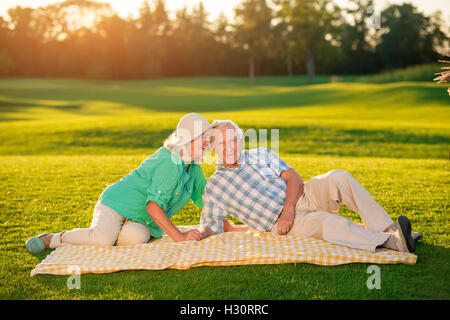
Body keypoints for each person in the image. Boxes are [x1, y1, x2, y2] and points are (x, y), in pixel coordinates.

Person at [199, 120, 420, 253]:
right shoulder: (215, 187)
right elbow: (210, 225)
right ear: (212, 148)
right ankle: (394, 243)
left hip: (302, 197)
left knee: (338, 177)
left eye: (234, 140)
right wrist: (192, 235)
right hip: (283, 224)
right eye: (223, 143)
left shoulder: (260, 153)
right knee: (328, 223)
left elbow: (294, 178)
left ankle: (389, 229)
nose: (231, 147)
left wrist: (288, 208)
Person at [26, 113, 215, 254]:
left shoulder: (194, 168)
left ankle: (111, 233)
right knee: (103, 239)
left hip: (138, 219)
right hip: (116, 204)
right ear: (188, 139)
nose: (208, 143)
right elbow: (153, 207)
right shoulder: (170, 163)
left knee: (138, 237)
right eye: (203, 137)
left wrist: (230, 226)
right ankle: (52, 239)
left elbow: (208, 202)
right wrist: (180, 237)